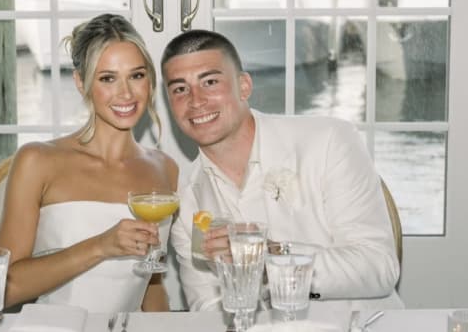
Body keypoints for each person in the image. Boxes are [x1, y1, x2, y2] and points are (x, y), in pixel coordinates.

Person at [162, 29, 403, 311]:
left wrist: (272, 259)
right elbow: (208, 306)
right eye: (180, 89)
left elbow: (378, 267)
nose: (195, 100)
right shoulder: (186, 202)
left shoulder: (329, 141)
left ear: (244, 86)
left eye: (210, 82)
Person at [0, 13, 178, 313]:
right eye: (108, 78)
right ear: (81, 83)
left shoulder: (165, 169)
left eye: (137, 75)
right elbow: (4, 289)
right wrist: (101, 246)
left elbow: (151, 284)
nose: (126, 93)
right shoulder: (37, 161)